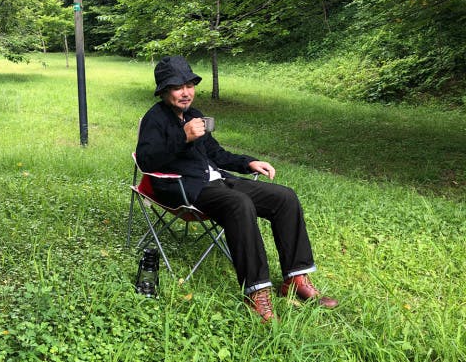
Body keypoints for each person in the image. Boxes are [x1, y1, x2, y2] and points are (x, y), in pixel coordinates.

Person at [135, 56, 338, 322]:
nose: (185, 93)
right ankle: (256, 293)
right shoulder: (155, 119)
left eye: (189, 85)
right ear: (163, 91)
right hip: (185, 187)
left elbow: (216, 153)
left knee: (284, 197)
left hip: (219, 179)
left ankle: (295, 278)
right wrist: (183, 137)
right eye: (177, 87)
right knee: (239, 204)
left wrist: (248, 162)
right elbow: (146, 160)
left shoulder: (195, 115)